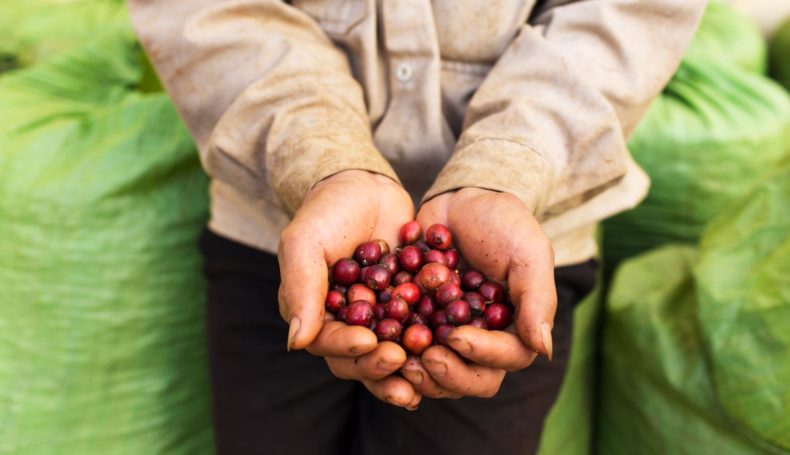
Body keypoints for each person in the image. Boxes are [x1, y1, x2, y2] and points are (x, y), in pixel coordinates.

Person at [128, 1, 707, 453]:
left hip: (516, 241)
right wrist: (317, 158)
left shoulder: (447, 276)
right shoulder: (406, 276)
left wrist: (507, 168)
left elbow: (623, 22)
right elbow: (211, 15)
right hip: (277, 230)